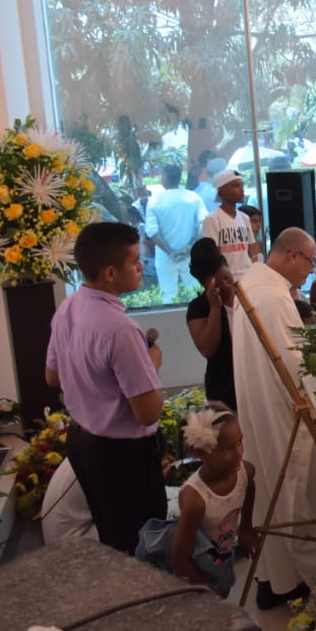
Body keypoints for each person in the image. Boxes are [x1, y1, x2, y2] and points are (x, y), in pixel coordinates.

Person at [231, 227, 316, 608]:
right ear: (291, 256)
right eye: (310, 260)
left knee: (272, 487)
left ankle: (279, 579)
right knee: (308, 493)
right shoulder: (272, 299)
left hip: (261, 405)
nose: (310, 270)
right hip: (283, 413)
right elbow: (295, 369)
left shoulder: (253, 282)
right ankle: (314, 579)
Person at [45, 222, 165, 554]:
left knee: (112, 535)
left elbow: (52, 377)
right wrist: (151, 362)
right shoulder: (120, 329)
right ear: (111, 272)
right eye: (135, 261)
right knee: (142, 543)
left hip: (84, 442)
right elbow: (147, 412)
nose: (142, 266)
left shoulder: (68, 306)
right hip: (122, 455)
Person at [135, 406, 259, 597]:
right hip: (198, 563)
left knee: (224, 588)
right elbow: (180, 559)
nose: (239, 452)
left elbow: (249, 486)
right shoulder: (196, 500)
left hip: (221, 554)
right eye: (227, 448)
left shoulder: (244, 471)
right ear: (202, 453)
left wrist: (246, 527)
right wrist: (202, 589)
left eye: (240, 441)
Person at [144, 163, 208, 302]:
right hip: (190, 255)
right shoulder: (193, 197)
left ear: (165, 178)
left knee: (168, 297)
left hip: (165, 256)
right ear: (179, 178)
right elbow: (204, 223)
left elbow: (151, 232)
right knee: (196, 294)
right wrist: (191, 247)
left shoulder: (155, 200)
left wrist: (170, 252)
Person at [186, 238, 237, 409]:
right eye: (218, 282)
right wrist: (215, 307)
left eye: (227, 277)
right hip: (225, 386)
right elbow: (207, 349)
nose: (225, 285)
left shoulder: (247, 297)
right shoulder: (199, 308)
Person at [200, 169, 261, 281]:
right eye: (235, 186)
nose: (241, 190)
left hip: (247, 279)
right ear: (222, 191)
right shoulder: (212, 220)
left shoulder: (244, 218)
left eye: (242, 185)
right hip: (227, 281)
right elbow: (213, 256)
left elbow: (253, 250)